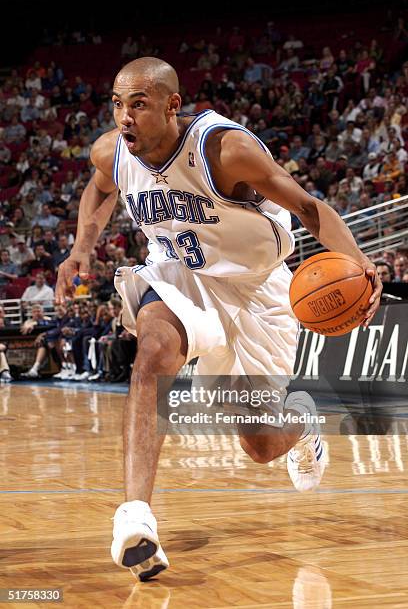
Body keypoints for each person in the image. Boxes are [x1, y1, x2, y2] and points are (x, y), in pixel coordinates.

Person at [56, 57, 382, 581]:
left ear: (172, 105)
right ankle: (135, 516)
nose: (124, 118)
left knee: (259, 444)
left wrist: (362, 266)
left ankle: (299, 423)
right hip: (182, 273)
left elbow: (308, 206)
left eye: (138, 104)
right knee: (154, 351)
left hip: (257, 290)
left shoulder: (223, 149)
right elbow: (100, 186)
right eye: (118, 104)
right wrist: (81, 249)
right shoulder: (113, 151)